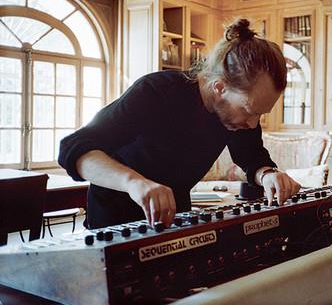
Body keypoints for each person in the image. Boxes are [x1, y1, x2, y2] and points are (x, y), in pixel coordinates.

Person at [58, 18, 301, 229]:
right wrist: (134, 183)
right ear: (219, 88)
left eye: (260, 114)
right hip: (114, 223)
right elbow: (74, 149)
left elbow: (252, 156)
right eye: (248, 111)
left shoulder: (238, 118)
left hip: (177, 219)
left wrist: (268, 174)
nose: (252, 123)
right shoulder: (156, 92)